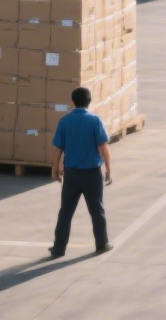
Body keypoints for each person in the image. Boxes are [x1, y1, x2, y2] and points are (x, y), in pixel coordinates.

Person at [48, 86, 113, 258]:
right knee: (97, 210)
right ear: (89, 101)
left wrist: (55, 169)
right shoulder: (95, 121)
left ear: (73, 101)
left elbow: (58, 148)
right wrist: (109, 169)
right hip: (92, 174)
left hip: (72, 174)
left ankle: (58, 248)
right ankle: (102, 243)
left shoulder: (64, 121)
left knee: (66, 212)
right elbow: (103, 147)